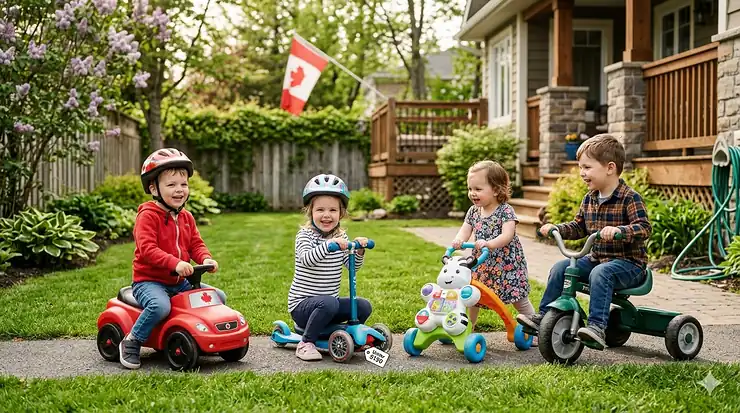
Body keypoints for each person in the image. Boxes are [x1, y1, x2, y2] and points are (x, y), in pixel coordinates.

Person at [516, 134, 652, 347]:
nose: (582, 173)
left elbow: (644, 228)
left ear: (609, 168)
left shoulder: (629, 197)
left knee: (601, 273)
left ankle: (597, 326)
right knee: (561, 268)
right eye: (580, 167)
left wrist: (619, 230)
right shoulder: (590, 198)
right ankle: (543, 316)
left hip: (630, 265)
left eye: (587, 167)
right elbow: (579, 227)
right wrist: (556, 228)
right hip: (598, 258)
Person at [119, 148, 224, 370]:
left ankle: (205, 337)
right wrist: (175, 263)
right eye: (171, 185)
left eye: (183, 185)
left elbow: (195, 244)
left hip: (179, 282)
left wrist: (206, 258)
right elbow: (147, 249)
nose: (179, 190)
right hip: (149, 281)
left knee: (217, 296)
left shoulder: (186, 217)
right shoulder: (147, 216)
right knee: (159, 306)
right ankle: (132, 340)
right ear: (153, 188)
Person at [288, 173, 371, 361]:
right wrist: (328, 245)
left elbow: (352, 267)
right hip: (302, 306)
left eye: (333, 210)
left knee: (362, 306)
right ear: (310, 212)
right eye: (320, 210)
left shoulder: (341, 238)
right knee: (329, 303)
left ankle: (350, 336)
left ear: (341, 213)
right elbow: (307, 259)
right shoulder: (304, 236)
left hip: (327, 306)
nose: (326, 215)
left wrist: (358, 251)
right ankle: (306, 343)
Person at [451, 160, 536, 343]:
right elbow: (465, 230)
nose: (473, 193)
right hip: (482, 263)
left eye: (478, 189)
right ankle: (467, 328)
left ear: (496, 190)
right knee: (472, 296)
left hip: (507, 265)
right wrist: (459, 240)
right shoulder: (474, 211)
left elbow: (507, 235)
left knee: (518, 298)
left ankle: (536, 328)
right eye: (470, 188)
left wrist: (489, 243)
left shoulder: (505, 211)